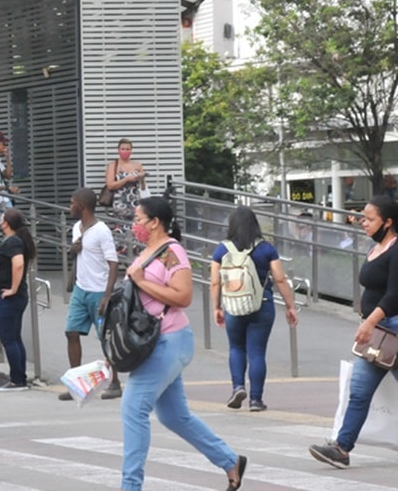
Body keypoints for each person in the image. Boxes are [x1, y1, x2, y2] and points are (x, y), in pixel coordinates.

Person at [120, 196, 246, 491]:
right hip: (153, 343)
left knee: (133, 407)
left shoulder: (172, 252)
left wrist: (141, 281)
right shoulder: (148, 251)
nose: (134, 224)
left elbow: (183, 296)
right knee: (174, 415)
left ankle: (130, 486)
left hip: (169, 340)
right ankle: (230, 461)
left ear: (155, 222)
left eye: (138, 219)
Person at [309, 195, 398, 469]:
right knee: (358, 392)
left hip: (391, 330)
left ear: (388, 222)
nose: (364, 223)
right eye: (363, 217)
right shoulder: (377, 248)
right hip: (378, 334)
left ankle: (342, 446)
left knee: (359, 390)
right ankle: (342, 448)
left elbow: (395, 295)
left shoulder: (396, 249)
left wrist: (369, 322)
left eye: (370, 219)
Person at [210, 206, 300, 412]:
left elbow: (214, 282)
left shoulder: (221, 250)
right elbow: (279, 278)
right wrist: (290, 306)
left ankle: (238, 387)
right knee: (257, 352)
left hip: (233, 305)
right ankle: (256, 400)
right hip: (263, 304)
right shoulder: (266, 248)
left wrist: (216, 307)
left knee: (236, 347)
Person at [57, 188, 122, 401]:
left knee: (105, 337)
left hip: (98, 291)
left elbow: (113, 264)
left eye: (71, 203)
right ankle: (76, 384)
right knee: (71, 332)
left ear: (81, 206)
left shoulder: (102, 230)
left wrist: (106, 295)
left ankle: (114, 382)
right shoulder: (77, 227)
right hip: (80, 288)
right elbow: (79, 254)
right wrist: (73, 250)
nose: (69, 207)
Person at [0, 208, 36, 391]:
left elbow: (18, 264)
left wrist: (12, 289)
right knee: (14, 337)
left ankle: (17, 380)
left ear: (6, 222)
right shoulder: (17, 240)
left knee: (9, 338)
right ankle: (19, 377)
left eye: (2, 217)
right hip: (15, 298)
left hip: (10, 298)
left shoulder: (13, 242)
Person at [106, 138, 147, 250]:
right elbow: (110, 185)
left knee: (137, 228)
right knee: (121, 230)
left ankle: (135, 254)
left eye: (127, 149)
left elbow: (143, 187)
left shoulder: (137, 165)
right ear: (118, 150)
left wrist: (141, 178)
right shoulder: (113, 165)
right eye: (123, 149)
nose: (125, 151)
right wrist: (126, 179)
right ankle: (121, 254)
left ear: (131, 150)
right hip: (120, 203)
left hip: (135, 202)